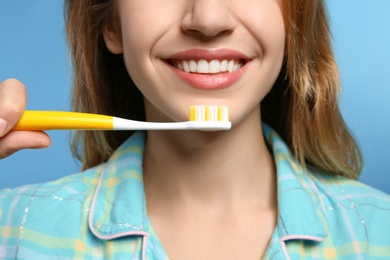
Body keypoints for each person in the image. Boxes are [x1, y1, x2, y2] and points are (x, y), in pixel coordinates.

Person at [1, 0, 389, 259]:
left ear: (294, 13)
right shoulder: (13, 228)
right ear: (111, 23)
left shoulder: (378, 233)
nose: (208, 19)